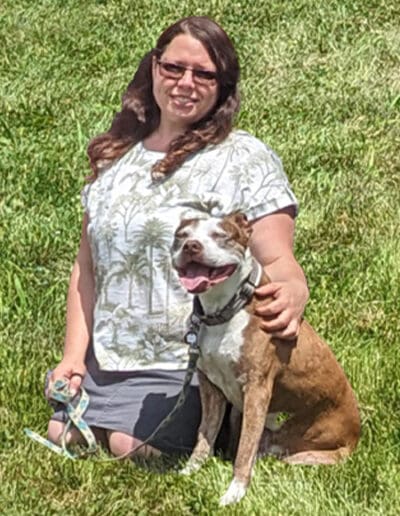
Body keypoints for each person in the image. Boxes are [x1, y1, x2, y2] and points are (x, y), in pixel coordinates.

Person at [46, 16, 309, 457]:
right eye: (173, 68)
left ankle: (215, 422)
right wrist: (74, 357)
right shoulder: (116, 157)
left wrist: (295, 287)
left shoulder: (245, 157)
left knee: (133, 447)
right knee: (64, 437)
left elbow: (278, 259)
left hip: (190, 361)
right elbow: (86, 267)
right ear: (154, 69)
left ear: (223, 86)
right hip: (110, 358)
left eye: (204, 74)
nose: (186, 82)